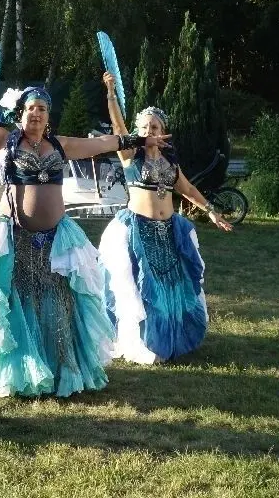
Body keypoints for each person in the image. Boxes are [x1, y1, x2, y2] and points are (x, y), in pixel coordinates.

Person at [0, 51, 172, 398]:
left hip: (56, 241)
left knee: (59, 302)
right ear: (21, 112)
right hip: (15, 236)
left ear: (49, 116)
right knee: (19, 302)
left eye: (43, 108)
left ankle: (62, 368)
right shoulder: (4, 142)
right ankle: (23, 371)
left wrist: (141, 141)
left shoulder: (60, 145)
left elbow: (104, 143)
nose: (37, 113)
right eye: (31, 107)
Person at [98, 72, 232, 364]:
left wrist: (211, 210)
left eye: (154, 126)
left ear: (163, 131)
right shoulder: (131, 155)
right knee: (144, 287)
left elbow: (186, 188)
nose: (149, 130)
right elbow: (118, 125)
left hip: (170, 230)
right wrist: (110, 92)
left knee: (173, 286)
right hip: (139, 230)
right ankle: (146, 344)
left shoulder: (171, 161)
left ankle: (174, 338)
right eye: (145, 126)